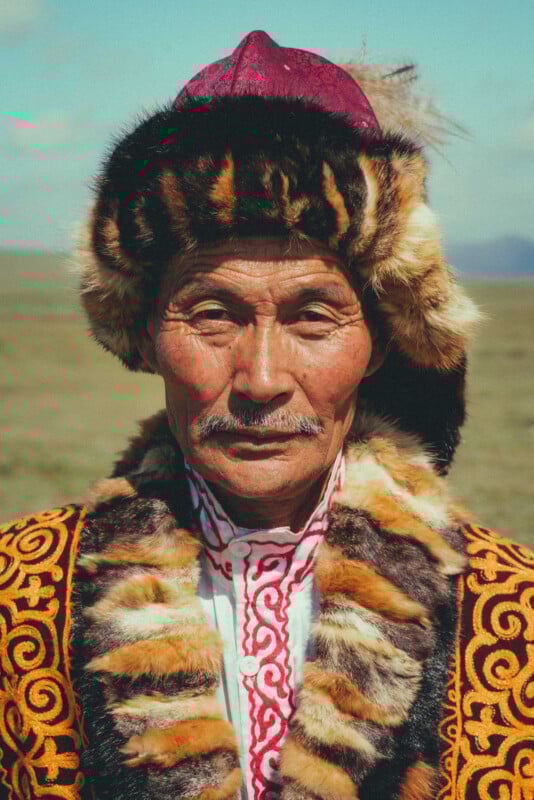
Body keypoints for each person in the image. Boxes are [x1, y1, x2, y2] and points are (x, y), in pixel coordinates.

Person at [1, 30, 532, 800]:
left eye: (314, 316)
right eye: (212, 313)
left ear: (380, 340)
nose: (260, 379)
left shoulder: (510, 610)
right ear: (146, 334)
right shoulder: (19, 595)